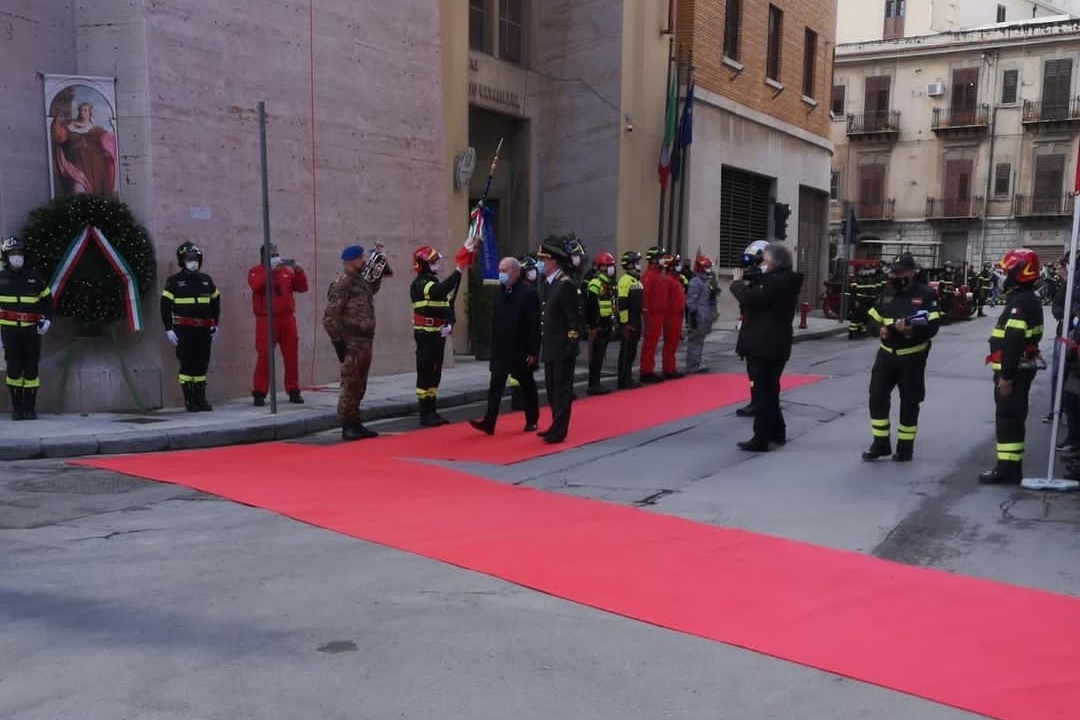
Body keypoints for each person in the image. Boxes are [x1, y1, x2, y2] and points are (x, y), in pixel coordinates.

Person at [861, 253, 941, 462]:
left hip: (912, 358)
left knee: (909, 402)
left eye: (901, 272)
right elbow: (871, 317)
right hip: (886, 356)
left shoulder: (925, 295)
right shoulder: (887, 293)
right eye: (894, 272)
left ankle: (905, 448)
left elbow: (933, 326)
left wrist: (910, 331)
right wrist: (879, 330)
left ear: (912, 272)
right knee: (876, 396)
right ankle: (880, 444)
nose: (896, 276)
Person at [728, 242, 803, 451]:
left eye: (765, 261)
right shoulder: (783, 281)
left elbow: (750, 298)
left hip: (764, 345)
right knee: (770, 391)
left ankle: (760, 438)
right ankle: (777, 432)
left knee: (762, 393)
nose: (761, 264)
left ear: (774, 263)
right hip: (773, 344)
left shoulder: (776, 283)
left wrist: (737, 283)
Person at [979, 248, 1045, 484]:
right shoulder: (1027, 299)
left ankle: (1006, 470)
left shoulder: (1020, 303)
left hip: (1013, 372)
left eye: (1008, 270)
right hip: (1020, 369)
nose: (1003, 275)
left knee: (1008, 419)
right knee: (1014, 418)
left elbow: (1014, 342)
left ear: (1020, 272)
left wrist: (1006, 376)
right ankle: (1010, 467)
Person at [323, 245, 390, 441]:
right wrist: (338, 343)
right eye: (361, 258)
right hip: (350, 340)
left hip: (364, 341)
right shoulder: (342, 283)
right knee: (350, 384)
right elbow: (330, 317)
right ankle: (347, 425)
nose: (363, 261)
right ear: (350, 260)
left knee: (360, 384)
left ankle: (356, 421)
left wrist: (380, 260)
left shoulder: (359, 280)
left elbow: (373, 288)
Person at [468, 257, 541, 435]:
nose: (501, 274)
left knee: (526, 385)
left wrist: (533, 350)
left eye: (505, 270)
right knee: (495, 387)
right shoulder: (500, 291)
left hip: (520, 349)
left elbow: (534, 324)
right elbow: (496, 319)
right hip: (501, 348)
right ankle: (489, 422)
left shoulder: (528, 293)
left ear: (516, 272)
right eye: (500, 270)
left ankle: (532, 419)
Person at [410, 242, 471, 427]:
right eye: (433, 260)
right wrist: (459, 270)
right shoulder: (420, 284)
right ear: (423, 264)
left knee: (435, 372)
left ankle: (432, 410)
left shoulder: (433, 282)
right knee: (426, 372)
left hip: (437, 334)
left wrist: (449, 323)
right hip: (426, 334)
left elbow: (447, 305)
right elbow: (440, 292)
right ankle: (424, 412)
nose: (437, 263)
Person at [247, 243, 309, 406]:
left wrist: (298, 271)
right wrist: (270, 271)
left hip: (287, 319)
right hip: (266, 320)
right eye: (271, 254)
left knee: (291, 356)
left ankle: (293, 390)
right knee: (264, 356)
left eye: (276, 254)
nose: (275, 256)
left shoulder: (286, 272)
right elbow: (256, 286)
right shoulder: (256, 271)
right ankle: (259, 392)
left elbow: (302, 288)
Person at [536, 236, 585, 444]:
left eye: (543, 261)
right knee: (551, 389)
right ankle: (555, 424)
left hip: (562, 346)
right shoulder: (549, 284)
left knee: (562, 390)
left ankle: (559, 430)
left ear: (552, 262)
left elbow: (574, 319)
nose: (540, 264)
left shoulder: (565, 285)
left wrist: (571, 344)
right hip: (550, 345)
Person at [161, 242, 220, 412]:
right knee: (187, 364)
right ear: (182, 260)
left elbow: (216, 303)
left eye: (195, 258)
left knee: (202, 364)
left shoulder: (206, 280)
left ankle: (201, 398)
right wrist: (168, 329)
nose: (193, 261)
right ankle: (189, 399)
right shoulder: (174, 282)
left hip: (204, 330)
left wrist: (216, 324)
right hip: (184, 331)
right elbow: (165, 306)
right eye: (189, 258)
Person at [0, 237, 53, 420]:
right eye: (13, 254)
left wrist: (47, 321)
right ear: (6, 257)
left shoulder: (35, 277)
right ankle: (17, 408)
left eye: (19, 253)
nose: (17, 257)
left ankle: (30, 408)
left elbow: (47, 301)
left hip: (31, 331)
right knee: (13, 370)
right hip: (9, 332)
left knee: (31, 370)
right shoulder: (0, 278)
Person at [50, 101, 117, 197]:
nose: (82, 112)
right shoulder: (70, 126)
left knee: (93, 192)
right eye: (81, 110)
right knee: (78, 188)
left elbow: (108, 141)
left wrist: (108, 152)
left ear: (90, 113)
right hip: (76, 164)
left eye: (85, 110)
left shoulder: (96, 130)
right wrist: (56, 121)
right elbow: (60, 137)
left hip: (92, 165)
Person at [585, 252, 617, 395]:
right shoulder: (595, 283)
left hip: (605, 324)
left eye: (612, 265)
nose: (611, 268)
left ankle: (596, 382)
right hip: (598, 325)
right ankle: (593, 384)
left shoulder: (608, 284)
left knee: (600, 355)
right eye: (608, 265)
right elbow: (591, 305)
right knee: (596, 356)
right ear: (600, 267)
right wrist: (593, 326)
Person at [616, 250, 644, 389]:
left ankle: (628, 377)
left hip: (636, 320)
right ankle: (623, 379)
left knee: (632, 351)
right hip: (629, 322)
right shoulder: (625, 280)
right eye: (637, 262)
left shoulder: (637, 280)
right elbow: (622, 303)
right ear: (630, 265)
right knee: (626, 352)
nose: (639, 264)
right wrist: (625, 323)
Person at [639, 246, 668, 383]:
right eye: (661, 257)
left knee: (653, 344)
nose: (663, 260)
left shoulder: (657, 275)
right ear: (654, 259)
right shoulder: (648, 276)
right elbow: (645, 298)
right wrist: (647, 317)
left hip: (659, 314)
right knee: (649, 344)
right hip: (652, 315)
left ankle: (649, 369)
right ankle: (646, 371)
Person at [685, 255, 714, 373]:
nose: (709, 269)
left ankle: (696, 362)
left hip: (703, 315)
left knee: (699, 341)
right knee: (694, 341)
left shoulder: (705, 281)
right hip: (697, 315)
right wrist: (693, 316)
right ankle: (692, 366)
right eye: (706, 267)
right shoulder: (695, 281)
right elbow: (691, 300)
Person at [661, 252, 686, 378]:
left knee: (674, 343)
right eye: (676, 265)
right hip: (671, 316)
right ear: (670, 267)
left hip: (677, 315)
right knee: (670, 343)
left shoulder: (676, 280)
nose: (678, 266)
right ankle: (668, 369)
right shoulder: (669, 281)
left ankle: (671, 367)